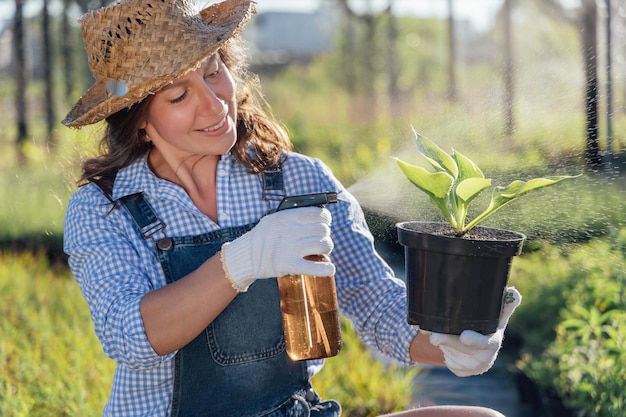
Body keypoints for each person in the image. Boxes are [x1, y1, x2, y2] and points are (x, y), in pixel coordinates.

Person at [62, 0, 521, 416]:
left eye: (213, 70)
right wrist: (239, 262)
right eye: (178, 96)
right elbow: (129, 337)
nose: (213, 103)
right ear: (140, 123)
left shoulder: (300, 180)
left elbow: (375, 303)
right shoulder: (104, 208)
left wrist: (449, 344)